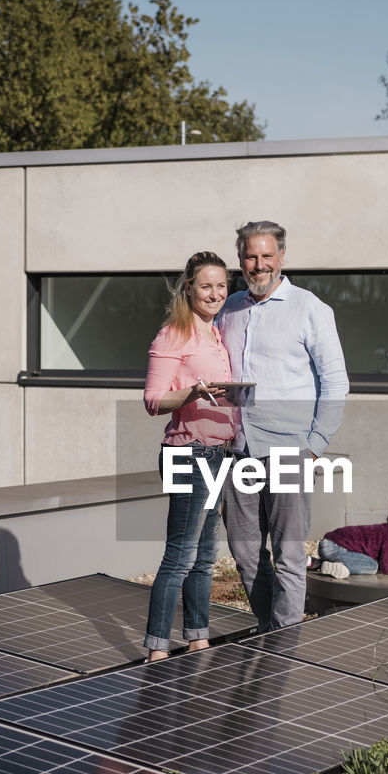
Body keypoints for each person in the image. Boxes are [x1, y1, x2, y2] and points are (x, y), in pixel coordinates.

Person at [216, 220, 348, 631]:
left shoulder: (310, 308)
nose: (258, 265)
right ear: (241, 260)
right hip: (238, 451)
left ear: (281, 257)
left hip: (291, 450)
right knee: (245, 551)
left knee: (289, 556)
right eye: (251, 257)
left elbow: (335, 381)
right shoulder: (229, 309)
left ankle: (284, 644)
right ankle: (268, 628)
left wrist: (314, 446)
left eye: (266, 256)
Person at [143, 252, 236, 661]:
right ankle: (157, 649)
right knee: (180, 555)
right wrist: (193, 394)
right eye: (206, 286)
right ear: (189, 288)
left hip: (218, 454)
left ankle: (198, 638)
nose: (214, 294)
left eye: (221, 286)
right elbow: (153, 401)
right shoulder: (173, 335)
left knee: (204, 557)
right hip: (188, 452)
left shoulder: (217, 333)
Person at [317, 494, 388, 579]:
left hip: (327, 545)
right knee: (372, 565)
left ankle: (316, 563)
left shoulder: (383, 529)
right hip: (336, 549)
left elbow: (383, 557)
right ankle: (342, 566)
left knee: (366, 560)